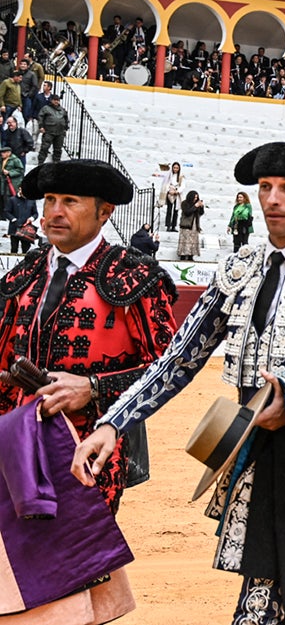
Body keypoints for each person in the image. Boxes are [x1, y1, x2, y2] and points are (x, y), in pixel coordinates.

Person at [74, 142, 285, 624]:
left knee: (266, 592)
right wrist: (112, 424)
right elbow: (176, 361)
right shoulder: (237, 270)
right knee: (274, 588)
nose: (272, 199)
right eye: (265, 188)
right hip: (244, 447)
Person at [0, 159, 178, 512]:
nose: (54, 212)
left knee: (80, 557)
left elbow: (169, 369)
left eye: (70, 201)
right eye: (50, 200)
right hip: (17, 443)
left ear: (104, 212)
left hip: (91, 449)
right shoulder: (24, 274)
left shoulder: (134, 276)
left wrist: (93, 387)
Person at [36, 92, 68, 163]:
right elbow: (40, 117)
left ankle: (56, 164)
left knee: (58, 149)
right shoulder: (46, 108)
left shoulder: (62, 110)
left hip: (60, 132)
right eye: (55, 100)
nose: (56, 101)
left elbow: (66, 119)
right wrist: (41, 126)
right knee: (44, 148)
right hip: (48, 131)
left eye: (58, 100)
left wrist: (65, 128)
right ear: (51, 100)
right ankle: (40, 163)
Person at [176, 189, 204, 261]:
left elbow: (201, 213)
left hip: (194, 225)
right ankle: (183, 256)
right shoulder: (184, 203)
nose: (195, 199)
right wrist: (195, 206)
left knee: (193, 241)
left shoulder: (196, 205)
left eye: (196, 198)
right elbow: (187, 212)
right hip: (186, 225)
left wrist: (201, 207)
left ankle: (191, 256)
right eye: (194, 197)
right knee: (185, 241)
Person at [163, 160, 184, 231]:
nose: (175, 169)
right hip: (170, 194)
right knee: (169, 210)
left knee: (176, 211)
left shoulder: (181, 176)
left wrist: (177, 191)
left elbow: (183, 186)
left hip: (177, 195)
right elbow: (165, 183)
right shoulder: (169, 175)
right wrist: (169, 190)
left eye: (177, 168)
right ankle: (168, 226)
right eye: (174, 167)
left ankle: (173, 226)